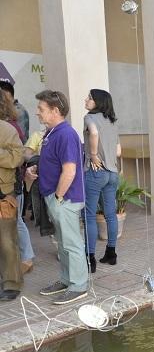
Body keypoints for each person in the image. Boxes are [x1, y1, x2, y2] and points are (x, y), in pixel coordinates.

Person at [26, 90, 88, 305]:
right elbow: (53, 162)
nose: (37, 113)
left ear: (55, 110)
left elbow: (69, 170)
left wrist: (59, 197)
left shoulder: (66, 134)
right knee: (62, 244)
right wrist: (36, 169)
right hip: (56, 197)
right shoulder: (51, 133)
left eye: (41, 109)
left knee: (71, 243)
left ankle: (79, 285)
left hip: (65, 198)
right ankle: (66, 279)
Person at [83, 89, 121, 273]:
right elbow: (118, 151)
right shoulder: (112, 122)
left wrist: (92, 155)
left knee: (89, 215)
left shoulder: (90, 118)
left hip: (96, 172)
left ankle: (90, 260)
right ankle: (111, 254)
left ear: (97, 102)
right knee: (110, 214)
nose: (86, 100)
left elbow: (94, 133)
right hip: (113, 173)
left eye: (89, 97)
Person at [0, 89, 34, 276]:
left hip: (13, 183)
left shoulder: (12, 127)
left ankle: (27, 258)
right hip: (10, 182)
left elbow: (18, 156)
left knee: (16, 222)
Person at [0, 114, 24, 301]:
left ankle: (12, 283)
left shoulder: (7, 129)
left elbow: (18, 158)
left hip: (3, 194)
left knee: (7, 241)